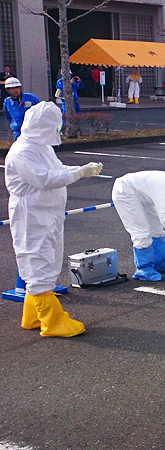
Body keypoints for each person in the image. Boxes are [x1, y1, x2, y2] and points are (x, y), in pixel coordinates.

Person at [4, 101, 103, 337]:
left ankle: (33, 315)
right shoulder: (22, 151)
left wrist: (80, 168)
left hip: (46, 213)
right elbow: (45, 179)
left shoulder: (41, 146)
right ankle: (52, 321)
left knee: (47, 257)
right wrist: (79, 173)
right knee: (36, 258)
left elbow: (56, 168)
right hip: (32, 215)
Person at [112, 171, 165, 281]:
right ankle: (143, 268)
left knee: (156, 229)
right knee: (141, 231)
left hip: (144, 193)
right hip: (126, 191)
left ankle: (159, 263)